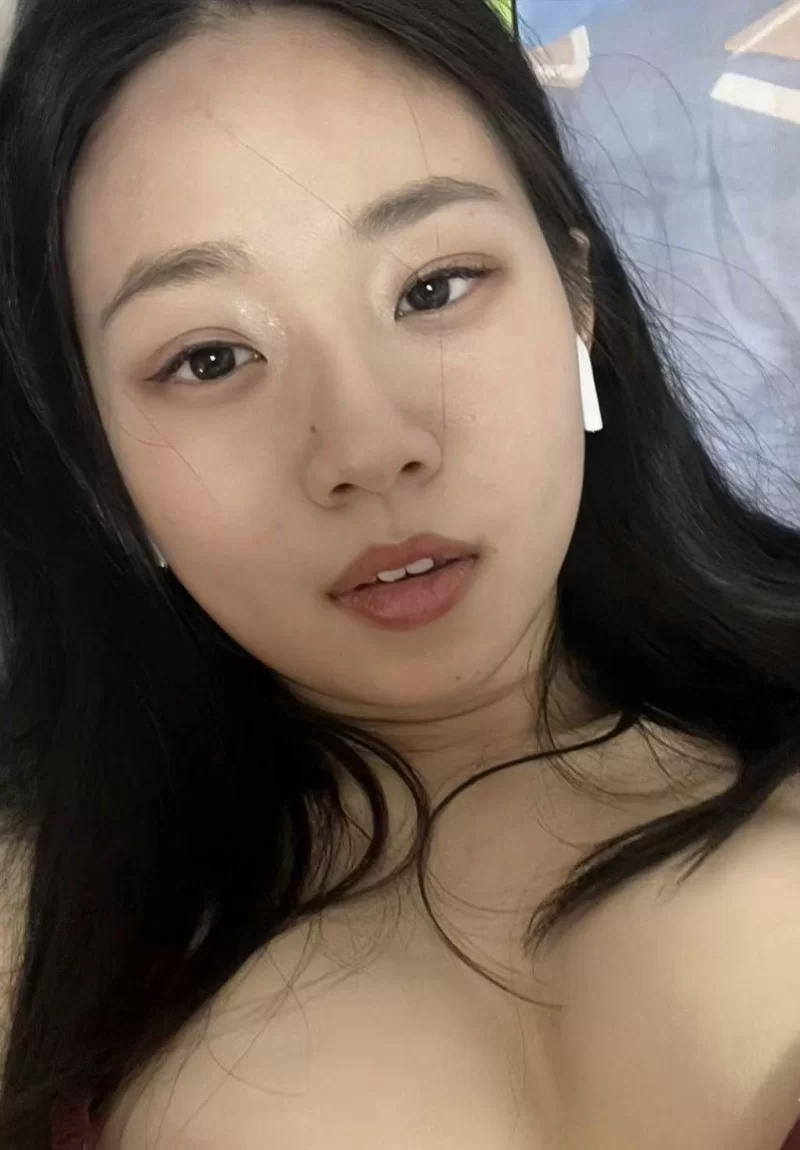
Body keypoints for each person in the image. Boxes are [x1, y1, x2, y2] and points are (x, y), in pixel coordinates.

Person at [0, 1, 798, 1147]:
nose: (368, 447)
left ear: (575, 300)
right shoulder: (30, 930)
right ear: (99, 465)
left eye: (432, 287)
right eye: (209, 357)